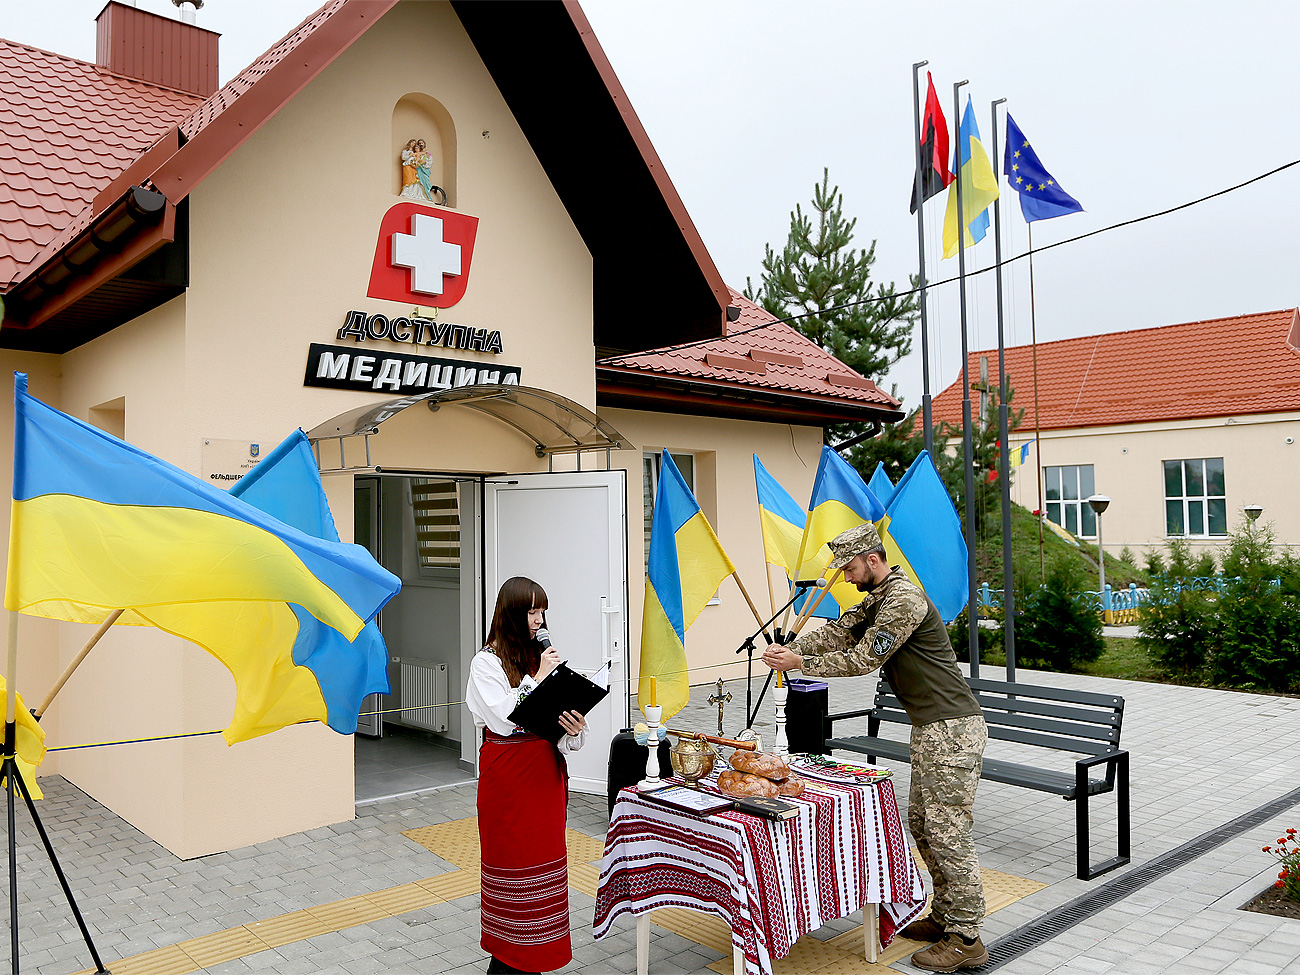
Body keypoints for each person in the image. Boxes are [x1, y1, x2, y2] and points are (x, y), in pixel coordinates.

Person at [763, 523, 988, 973]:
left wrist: (800, 663)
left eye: (848, 568)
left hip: (953, 729)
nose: (845, 578)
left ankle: (966, 938)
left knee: (947, 831)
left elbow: (864, 658)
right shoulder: (879, 598)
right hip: (933, 728)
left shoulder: (902, 600)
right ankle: (946, 917)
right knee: (923, 826)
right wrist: (791, 645)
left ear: (872, 560)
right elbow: (840, 634)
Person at [466, 576, 588, 974]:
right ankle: (507, 963)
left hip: (543, 783)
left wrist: (572, 727)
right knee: (514, 879)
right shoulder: (485, 662)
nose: (539, 621)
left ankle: (534, 961)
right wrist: (540, 679)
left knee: (544, 877)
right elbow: (503, 720)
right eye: (531, 612)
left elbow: (555, 729)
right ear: (512, 614)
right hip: (508, 785)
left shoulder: (542, 661)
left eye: (541, 612)